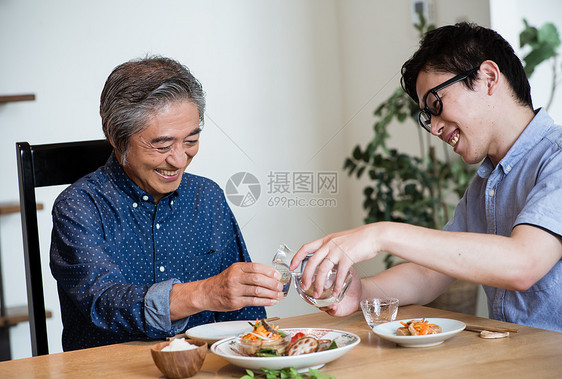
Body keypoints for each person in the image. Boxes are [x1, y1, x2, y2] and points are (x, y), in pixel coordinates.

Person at [290, 22, 562, 332]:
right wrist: (361, 293)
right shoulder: (484, 186)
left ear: (488, 77)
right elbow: (429, 274)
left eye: (435, 104)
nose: (433, 127)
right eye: (426, 116)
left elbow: (522, 263)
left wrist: (380, 234)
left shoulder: (557, 159)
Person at [50, 56, 283, 351]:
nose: (178, 159)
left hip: (204, 368)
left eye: (190, 141)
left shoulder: (206, 196)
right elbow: (105, 302)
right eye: (162, 145)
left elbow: (245, 317)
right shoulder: (80, 206)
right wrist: (205, 293)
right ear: (115, 135)